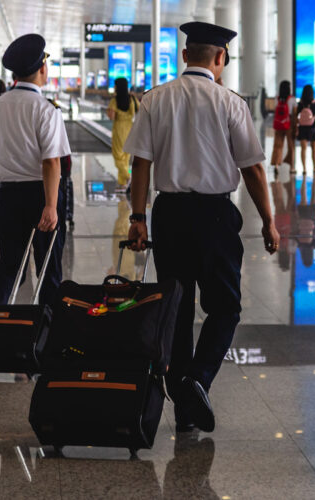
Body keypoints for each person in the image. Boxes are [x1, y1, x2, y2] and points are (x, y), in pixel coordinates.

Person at [124, 21, 279, 434]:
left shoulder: (155, 99)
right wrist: (269, 220)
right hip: (214, 216)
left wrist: (138, 218)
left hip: (170, 214)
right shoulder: (230, 103)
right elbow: (253, 169)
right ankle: (199, 380)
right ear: (221, 58)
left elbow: (140, 164)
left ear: (184, 56)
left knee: (176, 308)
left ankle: (184, 408)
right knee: (225, 307)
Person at [0, 34, 70, 307]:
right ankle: (45, 334)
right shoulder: (46, 109)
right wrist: (51, 206)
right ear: (42, 68)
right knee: (48, 269)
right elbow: (52, 162)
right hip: (41, 195)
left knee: (10, 266)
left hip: (8, 196)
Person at [107, 77, 138, 191]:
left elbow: (112, 116)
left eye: (115, 85)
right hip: (130, 130)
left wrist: (108, 111)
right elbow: (141, 109)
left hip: (119, 129)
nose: (114, 87)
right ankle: (122, 184)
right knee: (125, 157)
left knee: (118, 156)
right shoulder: (132, 98)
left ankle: (128, 177)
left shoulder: (114, 100)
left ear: (118, 87)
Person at [296, 84, 315, 176]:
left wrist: (296, 127)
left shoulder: (300, 104)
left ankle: (304, 169)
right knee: (314, 148)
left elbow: (296, 117)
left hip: (302, 128)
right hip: (313, 128)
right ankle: (314, 167)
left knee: (303, 148)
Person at [270, 80, 296, 175]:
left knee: (277, 146)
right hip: (289, 124)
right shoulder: (292, 99)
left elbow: (275, 111)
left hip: (278, 124)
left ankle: (276, 165)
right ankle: (292, 167)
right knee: (291, 146)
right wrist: (295, 126)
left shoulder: (277, 99)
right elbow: (294, 113)